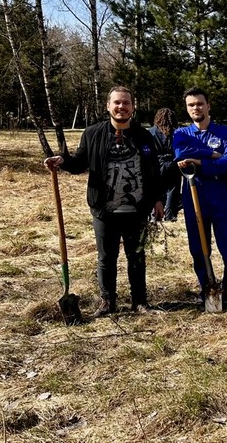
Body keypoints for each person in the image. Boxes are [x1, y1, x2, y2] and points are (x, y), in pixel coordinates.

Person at [43, 86, 164, 316]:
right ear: (108, 106)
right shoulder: (93, 133)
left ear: (133, 107)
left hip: (137, 210)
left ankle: (140, 301)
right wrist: (62, 161)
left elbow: (154, 171)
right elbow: (80, 162)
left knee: (136, 256)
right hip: (104, 210)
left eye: (126, 103)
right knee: (106, 258)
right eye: (117, 102)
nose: (122, 107)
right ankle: (108, 302)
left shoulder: (144, 136)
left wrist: (158, 199)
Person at [173, 87, 227, 306]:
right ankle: (207, 288)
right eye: (191, 105)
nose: (196, 108)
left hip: (221, 198)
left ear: (208, 105)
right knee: (198, 248)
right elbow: (181, 155)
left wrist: (200, 162)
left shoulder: (223, 132)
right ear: (187, 108)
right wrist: (212, 154)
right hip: (195, 197)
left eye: (200, 103)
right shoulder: (181, 134)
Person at [149, 108, 181, 221]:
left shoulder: (151, 132)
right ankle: (170, 215)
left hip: (157, 164)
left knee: (156, 189)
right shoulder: (177, 133)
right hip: (173, 163)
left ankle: (155, 214)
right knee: (172, 189)